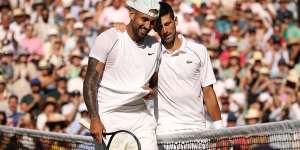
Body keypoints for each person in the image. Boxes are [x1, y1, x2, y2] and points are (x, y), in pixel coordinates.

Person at [83, 0, 160, 149]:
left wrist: (152, 90)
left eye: (152, 22)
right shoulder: (109, 38)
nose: (147, 25)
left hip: (141, 118)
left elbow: (155, 82)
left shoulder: (155, 46)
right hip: (108, 118)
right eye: (144, 19)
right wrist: (94, 118)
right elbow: (90, 81)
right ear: (131, 14)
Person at [154, 2, 223, 135]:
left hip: (197, 128)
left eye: (167, 24)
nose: (165, 30)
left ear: (176, 21)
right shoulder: (151, 54)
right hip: (165, 130)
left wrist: (220, 129)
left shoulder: (199, 50)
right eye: (159, 27)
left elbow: (208, 92)